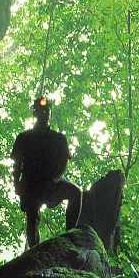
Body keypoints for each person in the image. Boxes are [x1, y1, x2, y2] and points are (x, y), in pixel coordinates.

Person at [10, 96, 83, 248]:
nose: (44, 113)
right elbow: (17, 164)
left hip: (50, 183)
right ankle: (34, 251)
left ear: (50, 113)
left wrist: (55, 179)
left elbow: (63, 162)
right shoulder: (24, 138)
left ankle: (70, 236)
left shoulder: (58, 139)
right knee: (32, 216)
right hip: (31, 186)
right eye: (40, 110)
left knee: (75, 193)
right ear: (34, 113)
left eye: (47, 110)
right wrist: (17, 184)